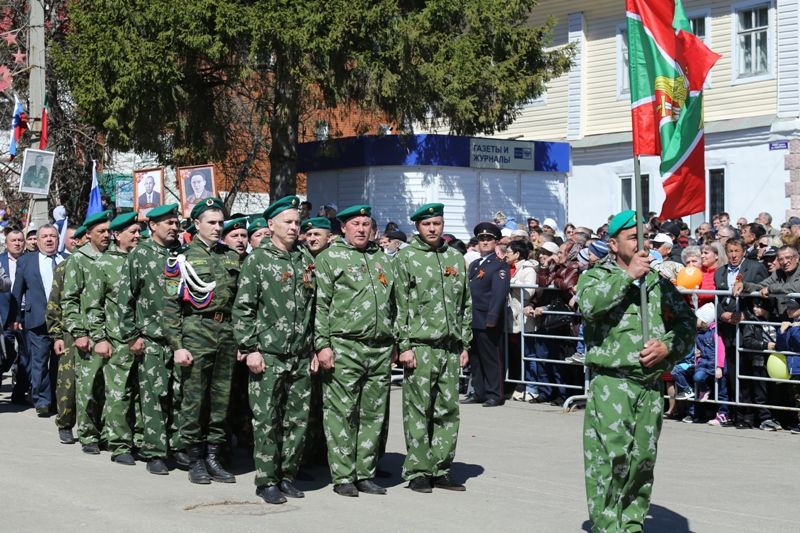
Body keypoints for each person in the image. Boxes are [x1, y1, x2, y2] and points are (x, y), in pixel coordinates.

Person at [576, 210, 695, 533]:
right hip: (612, 382)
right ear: (613, 244)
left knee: (642, 459)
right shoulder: (596, 276)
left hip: (649, 384)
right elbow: (589, 306)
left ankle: (631, 523)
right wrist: (627, 275)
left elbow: (687, 323)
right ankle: (607, 524)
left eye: (645, 238)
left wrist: (667, 346)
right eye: (633, 238)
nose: (642, 244)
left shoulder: (656, 281)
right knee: (611, 459)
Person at [233, 195, 314, 505]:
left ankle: (287, 475)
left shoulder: (304, 259)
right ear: (271, 225)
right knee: (266, 420)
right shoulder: (258, 260)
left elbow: (313, 307)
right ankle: (266, 478)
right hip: (268, 353)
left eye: (297, 222)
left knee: (297, 420)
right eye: (288, 222)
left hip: (298, 354)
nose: (294, 228)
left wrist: (312, 348)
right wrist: (250, 348)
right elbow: (244, 309)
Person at [313, 204, 395, 497]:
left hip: (380, 347)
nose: (361, 228)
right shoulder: (330, 258)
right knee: (341, 412)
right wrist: (322, 345)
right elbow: (320, 305)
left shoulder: (383, 259)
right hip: (344, 345)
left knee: (373, 414)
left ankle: (365, 472)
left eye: (366, 223)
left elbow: (394, 304)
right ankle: (343, 475)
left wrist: (396, 341)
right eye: (355, 223)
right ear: (343, 228)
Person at [393, 203, 472, 493]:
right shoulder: (406, 257)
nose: (432, 229)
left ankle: (441, 467)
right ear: (418, 227)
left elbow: (465, 303)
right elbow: (398, 304)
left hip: (449, 347)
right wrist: (404, 345)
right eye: (427, 224)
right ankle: (418, 470)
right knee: (418, 409)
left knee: (448, 409)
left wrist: (464, 343)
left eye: (437, 223)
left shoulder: (454, 256)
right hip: (419, 345)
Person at [164, 197, 240, 485]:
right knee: (194, 399)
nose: (217, 228)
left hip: (226, 333)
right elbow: (170, 306)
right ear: (196, 224)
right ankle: (194, 457)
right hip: (196, 332)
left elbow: (239, 301)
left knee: (221, 399)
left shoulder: (231, 256)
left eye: (220, 223)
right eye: (211, 222)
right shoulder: (180, 258)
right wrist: (177, 345)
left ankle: (213, 456)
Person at [118, 203, 183, 475]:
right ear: (153, 226)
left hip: (181, 340)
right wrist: (132, 335)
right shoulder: (140, 255)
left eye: (175, 222)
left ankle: (178, 446)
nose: (174, 227)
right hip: (152, 338)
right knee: (154, 396)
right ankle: (155, 451)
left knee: (180, 394)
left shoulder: (182, 254)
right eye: (168, 222)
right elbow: (126, 298)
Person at [84, 212, 141, 465]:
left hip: (144, 339)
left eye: (140, 232)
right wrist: (99, 338)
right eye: (133, 232)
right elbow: (93, 306)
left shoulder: (144, 260)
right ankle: (119, 444)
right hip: (116, 340)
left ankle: (140, 439)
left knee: (143, 394)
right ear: (118, 235)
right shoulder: (103, 264)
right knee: (119, 394)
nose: (139, 236)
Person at [62, 210, 113, 454]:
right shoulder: (79, 259)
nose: (106, 235)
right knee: (89, 386)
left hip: (112, 332)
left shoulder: (114, 256)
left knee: (109, 387)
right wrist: (78, 332)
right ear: (89, 233)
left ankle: (106, 432)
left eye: (108, 230)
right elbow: (69, 300)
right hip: (88, 334)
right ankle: (88, 434)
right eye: (101, 231)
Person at [9, 225, 66, 417]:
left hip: (64, 321)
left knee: (60, 363)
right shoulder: (26, 261)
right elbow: (17, 290)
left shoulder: (67, 260)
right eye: (44, 236)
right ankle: (42, 400)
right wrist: (14, 317)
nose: (49, 240)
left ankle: (57, 400)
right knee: (39, 362)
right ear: (38, 240)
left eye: (53, 236)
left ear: (58, 239)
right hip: (36, 320)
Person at [713, 237, 768, 428]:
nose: (734, 255)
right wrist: (723, 315)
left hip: (748, 328)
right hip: (729, 329)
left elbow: (763, 295)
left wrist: (746, 313)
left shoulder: (754, 267)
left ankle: (752, 415)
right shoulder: (720, 272)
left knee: (749, 371)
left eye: (737, 251)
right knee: (732, 371)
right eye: (730, 251)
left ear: (743, 250)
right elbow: (716, 300)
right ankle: (738, 414)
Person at [463, 222, 510, 407]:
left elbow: (499, 294)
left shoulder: (499, 265)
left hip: (488, 318)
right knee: (475, 358)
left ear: (495, 242)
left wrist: (492, 317)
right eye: (481, 239)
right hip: (473, 317)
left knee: (492, 359)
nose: (484, 242)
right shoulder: (475, 264)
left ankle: (495, 394)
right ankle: (479, 391)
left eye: (488, 239)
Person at [47, 225, 82, 444]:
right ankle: (66, 423)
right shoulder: (64, 267)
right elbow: (54, 304)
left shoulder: (103, 263)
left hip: (98, 332)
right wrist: (56, 335)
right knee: (67, 383)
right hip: (69, 334)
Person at [505, 240, 538, 402]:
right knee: (515, 355)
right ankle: (516, 385)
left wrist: (513, 282)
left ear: (517, 255)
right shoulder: (508, 269)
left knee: (528, 354)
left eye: (509, 252)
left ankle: (531, 387)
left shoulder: (528, 269)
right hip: (511, 319)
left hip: (524, 319)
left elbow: (529, 292)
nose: (506, 255)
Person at [734, 245, 800, 318]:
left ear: (796, 258)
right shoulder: (778, 273)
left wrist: (770, 289)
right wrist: (744, 285)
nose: (784, 262)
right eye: (781, 259)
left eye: (788, 258)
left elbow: (796, 287)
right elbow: (761, 286)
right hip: (783, 322)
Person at [1, 229, 27, 404]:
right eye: (13, 240)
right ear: (7, 243)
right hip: (5, 314)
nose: (17, 243)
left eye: (20, 240)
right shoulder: (0, 261)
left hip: (26, 314)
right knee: (6, 353)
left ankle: (19, 392)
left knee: (27, 355)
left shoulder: (31, 260)